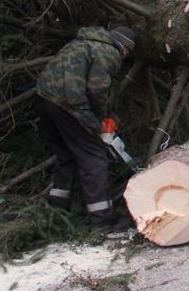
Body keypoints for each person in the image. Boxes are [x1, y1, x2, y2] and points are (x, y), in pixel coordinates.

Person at [36, 25, 136, 232]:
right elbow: (97, 88)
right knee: (94, 157)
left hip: (45, 99)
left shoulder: (82, 43)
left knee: (66, 154)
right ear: (125, 48)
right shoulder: (109, 52)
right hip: (70, 105)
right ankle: (103, 221)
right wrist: (98, 122)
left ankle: (57, 210)